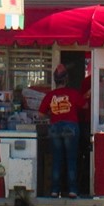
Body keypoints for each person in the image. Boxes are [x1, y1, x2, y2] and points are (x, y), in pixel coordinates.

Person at [39, 63, 86, 199]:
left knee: (57, 160)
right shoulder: (73, 93)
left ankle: (54, 191)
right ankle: (72, 190)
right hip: (71, 127)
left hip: (54, 127)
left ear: (55, 80)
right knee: (71, 160)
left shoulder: (50, 95)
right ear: (66, 79)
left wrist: (53, 115)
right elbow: (85, 105)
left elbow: (41, 114)